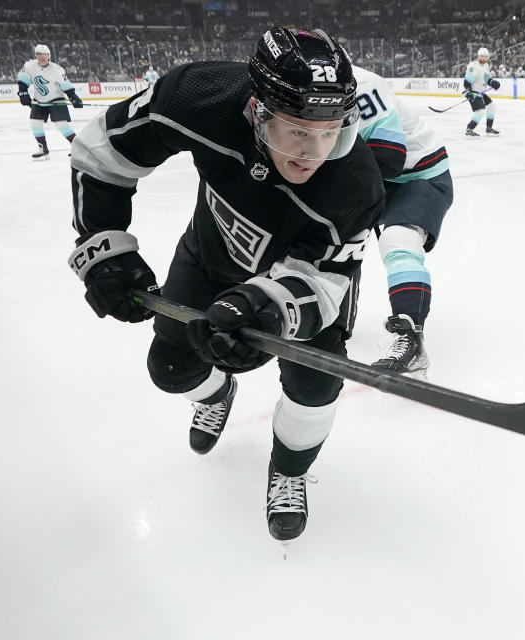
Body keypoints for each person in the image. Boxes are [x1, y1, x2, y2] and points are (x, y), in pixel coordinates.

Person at [67, 27, 384, 542]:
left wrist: (265, 308)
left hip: (299, 287)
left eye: (331, 132)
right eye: (294, 132)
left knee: (314, 387)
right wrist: (102, 245)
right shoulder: (196, 95)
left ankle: (289, 469)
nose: (313, 153)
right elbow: (102, 150)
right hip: (209, 257)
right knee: (170, 371)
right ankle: (216, 394)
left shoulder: (354, 186)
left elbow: (323, 283)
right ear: (256, 111)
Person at [352, 65, 453, 378]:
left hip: (420, 176)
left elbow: (389, 157)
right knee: (334, 242)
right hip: (373, 181)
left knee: (398, 241)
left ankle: (411, 337)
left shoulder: (363, 84)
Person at [17, 44, 83, 160]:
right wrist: (23, 93)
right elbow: (23, 81)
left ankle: (78, 148)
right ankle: (43, 149)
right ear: (35, 55)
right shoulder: (29, 66)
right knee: (35, 124)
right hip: (39, 102)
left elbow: (66, 85)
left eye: (45, 54)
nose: (42, 57)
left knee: (61, 125)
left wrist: (73, 97)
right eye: (39, 54)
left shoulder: (57, 69)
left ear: (49, 56)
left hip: (56, 100)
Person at [463, 47, 501, 137]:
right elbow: (467, 81)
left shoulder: (486, 66)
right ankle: (469, 129)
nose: (484, 58)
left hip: (481, 92)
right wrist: (469, 92)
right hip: (473, 92)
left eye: (485, 57)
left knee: (491, 106)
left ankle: (489, 128)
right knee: (480, 110)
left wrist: (493, 83)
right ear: (479, 56)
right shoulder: (474, 65)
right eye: (482, 56)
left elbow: (487, 79)